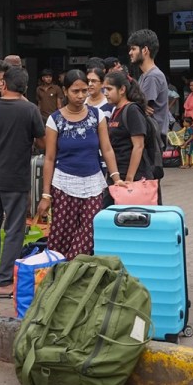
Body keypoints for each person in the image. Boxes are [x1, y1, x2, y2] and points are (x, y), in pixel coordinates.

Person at [37, 70, 123, 260]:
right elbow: (49, 158)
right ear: (65, 91)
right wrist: (45, 194)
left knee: (88, 235)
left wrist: (116, 178)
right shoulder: (55, 119)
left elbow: (107, 149)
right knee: (61, 236)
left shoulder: (96, 115)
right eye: (76, 91)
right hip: (63, 185)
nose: (81, 95)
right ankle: (58, 275)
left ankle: (71, 269)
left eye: (84, 90)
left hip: (93, 185)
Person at [0, 66, 45, 299]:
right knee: (15, 228)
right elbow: (43, 142)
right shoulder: (30, 110)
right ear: (25, 87)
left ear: (3, 84)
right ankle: (5, 281)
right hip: (15, 178)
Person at [103, 71, 160, 188]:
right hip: (118, 174)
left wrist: (130, 179)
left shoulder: (132, 110)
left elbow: (138, 146)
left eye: (109, 89)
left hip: (134, 177)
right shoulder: (116, 111)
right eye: (104, 89)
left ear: (122, 90)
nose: (105, 93)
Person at [128, 29, 170, 138]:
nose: (130, 52)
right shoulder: (144, 76)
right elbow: (140, 105)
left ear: (145, 50)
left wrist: (138, 105)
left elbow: (139, 109)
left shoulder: (152, 76)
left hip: (153, 138)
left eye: (133, 49)